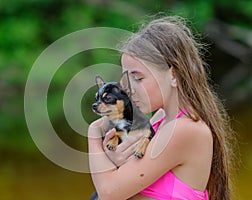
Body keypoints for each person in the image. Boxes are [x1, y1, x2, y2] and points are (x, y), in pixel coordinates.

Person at [88, 15, 235, 200]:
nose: (130, 90)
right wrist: (117, 160)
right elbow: (126, 177)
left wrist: (93, 134)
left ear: (173, 75)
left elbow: (109, 192)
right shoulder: (160, 119)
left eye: (138, 78)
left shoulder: (185, 129)